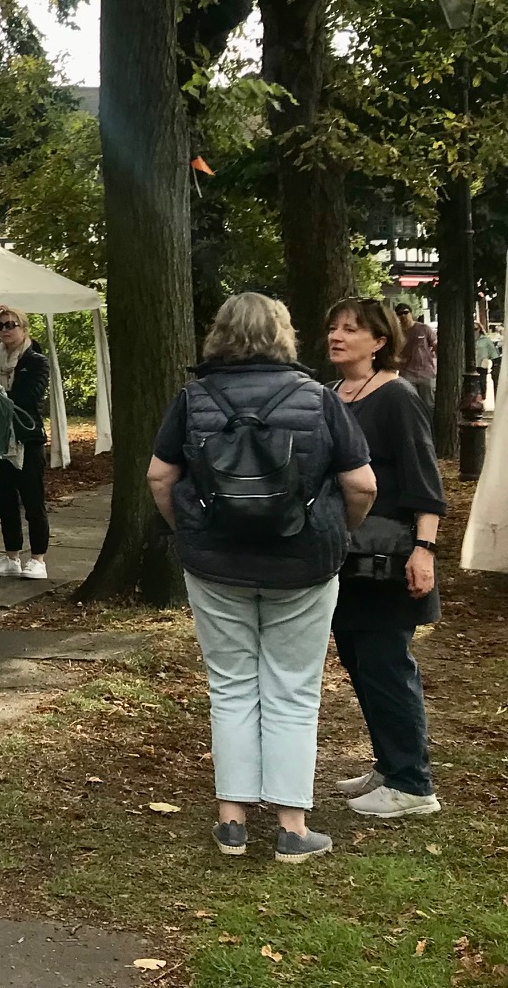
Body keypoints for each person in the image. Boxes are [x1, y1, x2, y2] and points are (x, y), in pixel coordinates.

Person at [148, 292, 376, 864]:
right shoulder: (318, 399)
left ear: (220, 334)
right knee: (294, 689)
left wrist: (190, 530)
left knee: (229, 686)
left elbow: (158, 476)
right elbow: (363, 485)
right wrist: (335, 533)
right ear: (283, 335)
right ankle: (293, 828)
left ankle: (232, 821)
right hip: (302, 566)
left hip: (216, 566)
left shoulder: (194, 398)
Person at [325, 297, 445, 820]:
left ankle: (413, 784)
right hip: (345, 557)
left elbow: (425, 479)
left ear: (379, 342)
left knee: (386, 665)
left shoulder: (397, 396)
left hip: (389, 555)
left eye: (352, 329)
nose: (337, 336)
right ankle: (390, 763)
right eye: (333, 327)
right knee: (359, 662)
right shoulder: (331, 395)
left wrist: (425, 549)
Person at [0, 305, 54, 581]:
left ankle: (38, 558)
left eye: (11, 324)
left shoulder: (36, 360)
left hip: (27, 439)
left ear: (24, 329)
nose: (5, 330)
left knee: (32, 500)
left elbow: (29, 396)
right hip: (0, 439)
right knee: (5, 501)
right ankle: (13, 555)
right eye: (1, 325)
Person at [394, 304, 437, 420]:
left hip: (426, 373)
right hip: (407, 373)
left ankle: (430, 429)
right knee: (411, 405)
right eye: (399, 314)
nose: (403, 316)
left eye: (405, 312)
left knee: (429, 404)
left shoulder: (424, 328)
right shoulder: (397, 333)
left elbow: (435, 344)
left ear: (411, 313)